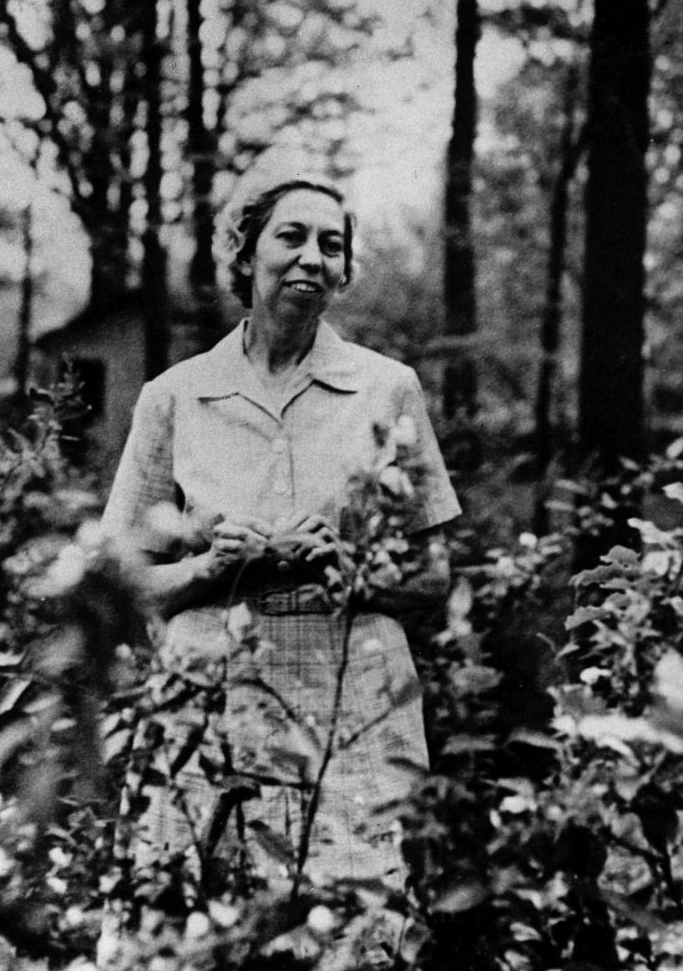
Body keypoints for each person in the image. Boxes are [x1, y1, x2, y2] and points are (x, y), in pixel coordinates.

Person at [100, 153, 461, 885]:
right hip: (210, 697)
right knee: (191, 915)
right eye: (291, 236)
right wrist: (211, 566)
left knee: (356, 920)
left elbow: (434, 579)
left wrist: (351, 567)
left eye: (331, 245)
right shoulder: (177, 396)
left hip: (353, 695)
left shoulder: (387, 390)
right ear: (246, 252)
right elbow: (123, 579)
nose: (312, 258)